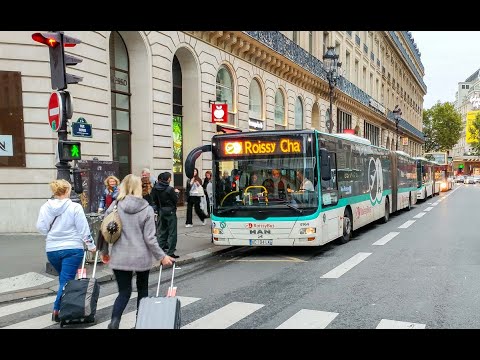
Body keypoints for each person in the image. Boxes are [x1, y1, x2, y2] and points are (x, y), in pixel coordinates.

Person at [101, 174, 175, 329]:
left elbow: (106, 228)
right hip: (141, 257)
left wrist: (105, 251)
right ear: (138, 187)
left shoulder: (115, 205)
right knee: (142, 290)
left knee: (124, 292)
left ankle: (114, 322)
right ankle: (140, 323)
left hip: (120, 256)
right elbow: (150, 238)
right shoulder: (146, 209)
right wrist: (162, 256)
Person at [36, 179, 97, 323]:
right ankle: (58, 310)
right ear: (68, 190)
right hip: (72, 249)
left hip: (52, 250)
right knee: (66, 281)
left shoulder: (45, 207)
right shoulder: (75, 207)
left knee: (64, 280)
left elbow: (41, 228)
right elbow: (83, 229)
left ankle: (69, 305)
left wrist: (54, 234)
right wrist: (91, 246)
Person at [151, 172, 180, 258]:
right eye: (170, 178)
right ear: (167, 179)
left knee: (162, 231)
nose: (170, 179)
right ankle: (170, 252)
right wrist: (177, 193)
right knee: (172, 232)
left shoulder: (155, 188)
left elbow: (154, 200)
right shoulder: (169, 189)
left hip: (161, 211)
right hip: (170, 212)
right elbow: (175, 200)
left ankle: (160, 250)